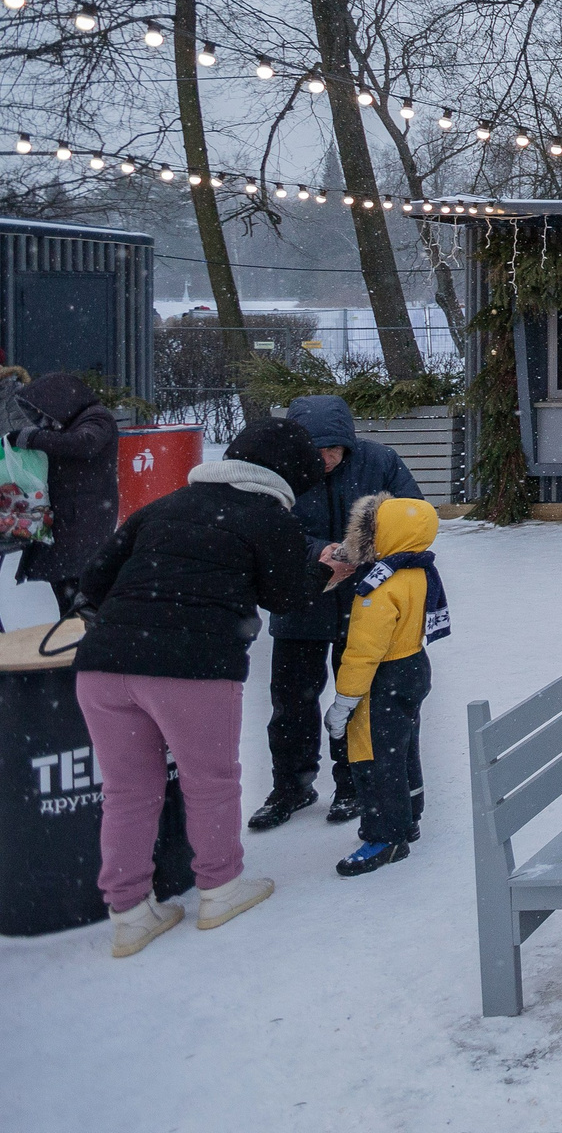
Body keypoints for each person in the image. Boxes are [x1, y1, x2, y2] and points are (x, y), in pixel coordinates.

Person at [74, 418, 339, 957]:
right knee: (210, 781)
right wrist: (328, 570)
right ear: (285, 475)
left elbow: (95, 579)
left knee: (127, 791)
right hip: (193, 668)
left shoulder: (166, 504)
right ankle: (220, 888)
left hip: (103, 665)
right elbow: (284, 597)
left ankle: (128, 912)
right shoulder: (268, 517)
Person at [248, 395, 422, 833]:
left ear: (347, 443)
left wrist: (365, 550)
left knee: (356, 697)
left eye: (333, 450)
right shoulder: (277, 470)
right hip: (299, 600)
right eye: (315, 452)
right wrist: (316, 552)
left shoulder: (379, 461)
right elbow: (262, 527)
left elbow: (414, 518)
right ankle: (292, 785)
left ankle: (351, 784)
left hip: (364, 607)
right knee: (291, 702)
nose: (324, 460)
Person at [323, 494, 448, 877]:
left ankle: (385, 835)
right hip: (413, 665)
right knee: (403, 747)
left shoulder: (379, 588)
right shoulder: (419, 570)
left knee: (373, 757)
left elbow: (362, 653)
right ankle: (408, 814)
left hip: (383, 678)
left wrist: (344, 702)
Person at [11, 371, 121, 615]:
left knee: (76, 585)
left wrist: (34, 438)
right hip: (72, 517)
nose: (43, 421)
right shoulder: (74, 421)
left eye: (43, 412)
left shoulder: (97, 418)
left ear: (59, 400)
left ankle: (84, 639)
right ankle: (78, 634)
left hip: (83, 518)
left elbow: (84, 443)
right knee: (66, 584)